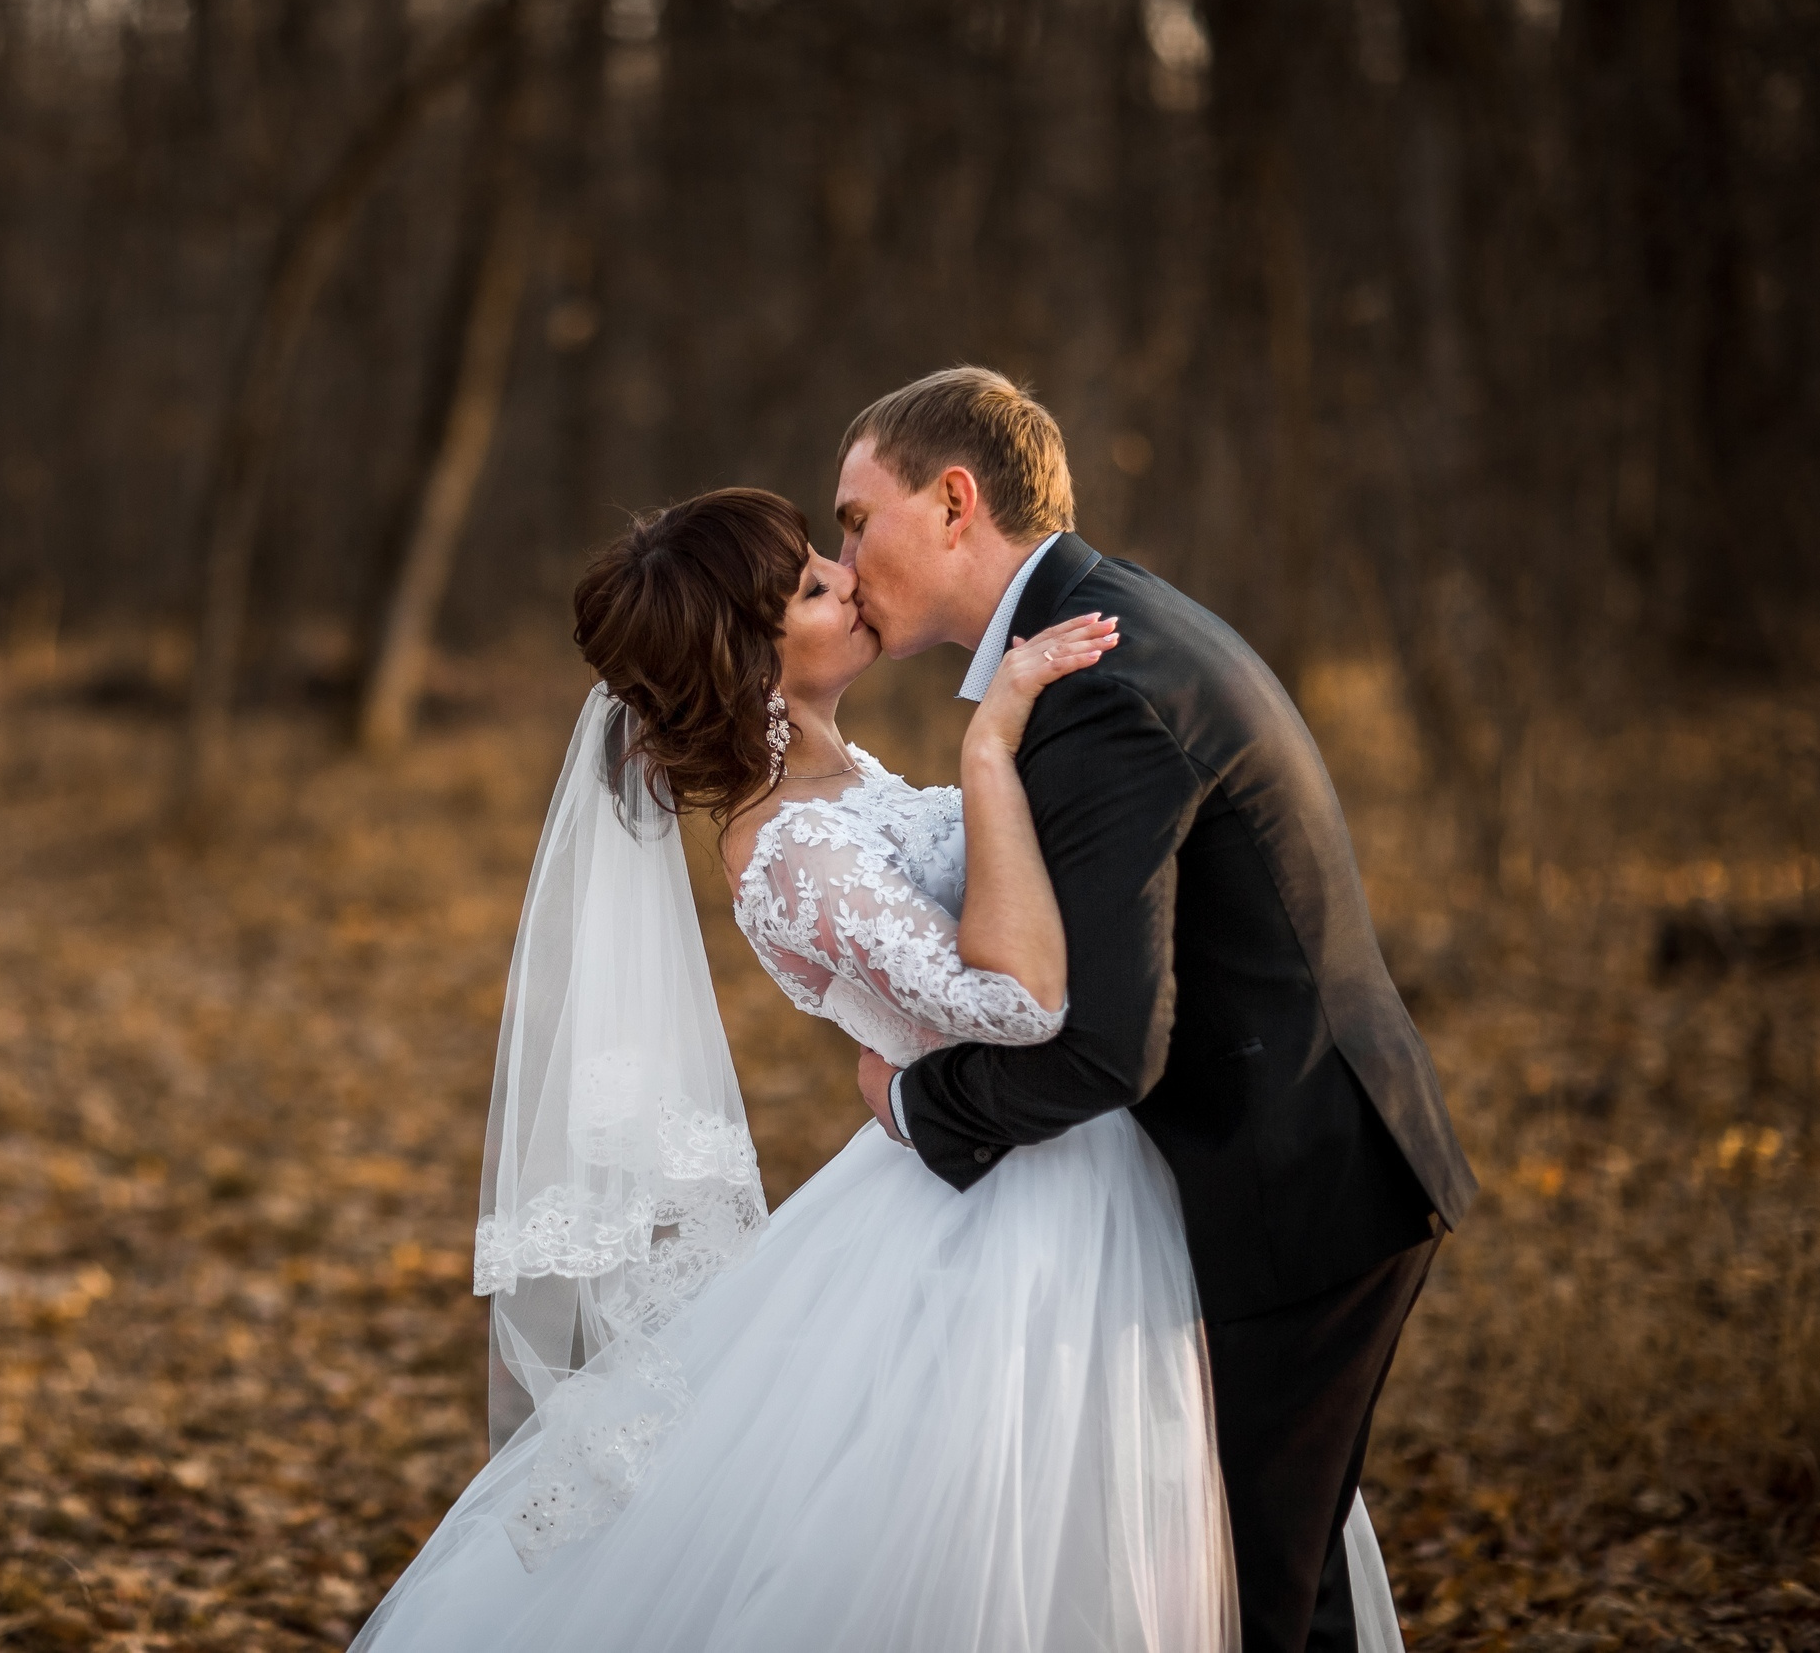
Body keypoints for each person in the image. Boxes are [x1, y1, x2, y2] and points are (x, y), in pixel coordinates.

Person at [353, 473, 1409, 1650]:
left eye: (828, 554)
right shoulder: (789, 849)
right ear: (751, 663)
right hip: (1016, 1209)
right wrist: (989, 750)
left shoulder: (840, 783)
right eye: (810, 586)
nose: (847, 578)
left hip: (1059, 1153)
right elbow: (1015, 1002)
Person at [835, 367, 1476, 1652]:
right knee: (1264, 1589)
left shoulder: (1100, 686)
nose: (841, 563)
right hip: (1293, 1151)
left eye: (855, 520)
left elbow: (1105, 1049)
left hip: (1295, 1186)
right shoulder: (1098, 628)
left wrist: (912, 1100)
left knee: (1251, 1601)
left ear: (954, 503)